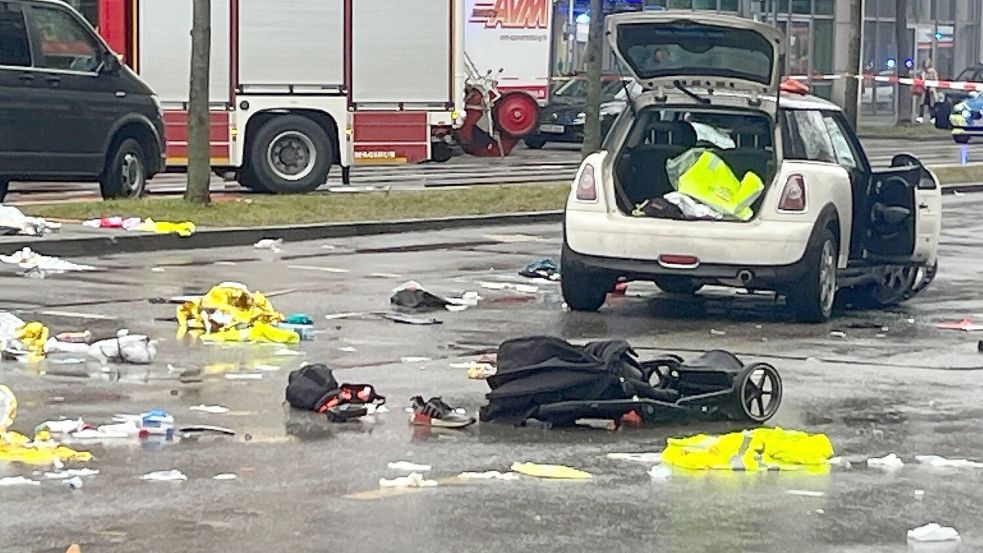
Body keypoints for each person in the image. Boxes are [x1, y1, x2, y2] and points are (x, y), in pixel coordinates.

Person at [917, 59, 940, 123]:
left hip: (931, 89)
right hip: (924, 89)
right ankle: (920, 117)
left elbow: (936, 79)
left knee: (931, 104)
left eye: (927, 63)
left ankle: (932, 117)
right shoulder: (922, 72)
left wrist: (933, 87)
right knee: (922, 103)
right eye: (925, 63)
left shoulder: (933, 71)